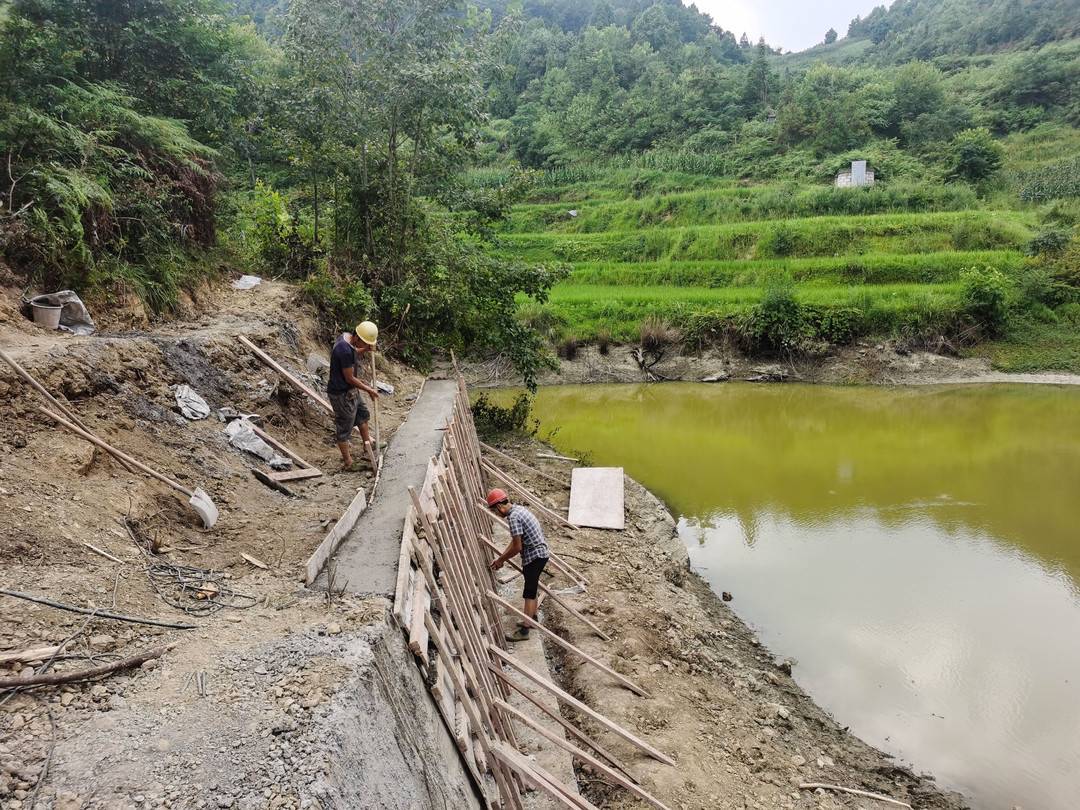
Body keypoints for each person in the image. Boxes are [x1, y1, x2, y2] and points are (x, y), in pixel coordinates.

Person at [486, 488, 550, 642]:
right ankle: (531, 618)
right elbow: (515, 542)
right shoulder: (519, 510)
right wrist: (501, 557)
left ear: (499, 507)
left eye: (496, 512)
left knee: (529, 592)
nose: (497, 515)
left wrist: (501, 560)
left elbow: (517, 547)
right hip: (540, 554)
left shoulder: (513, 518)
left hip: (534, 556)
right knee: (532, 589)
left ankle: (524, 631)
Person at [327, 321, 379, 471]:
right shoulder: (344, 350)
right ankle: (349, 462)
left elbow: (354, 353)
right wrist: (368, 389)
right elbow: (349, 378)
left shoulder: (346, 338)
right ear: (357, 337)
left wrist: (366, 349)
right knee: (344, 427)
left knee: (362, 416)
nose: (365, 344)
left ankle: (366, 445)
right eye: (364, 342)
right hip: (341, 393)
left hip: (351, 390)